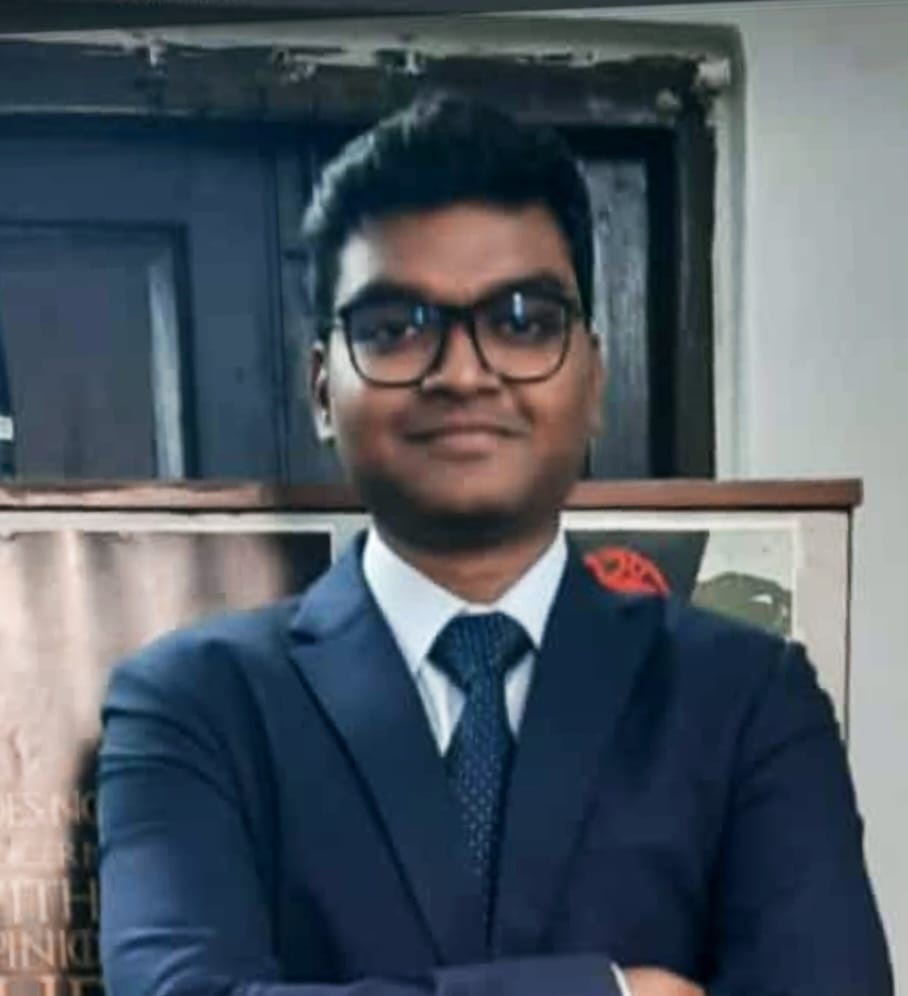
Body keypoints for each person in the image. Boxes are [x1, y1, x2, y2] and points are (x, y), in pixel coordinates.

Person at [98, 95, 892, 996]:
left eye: (522, 321)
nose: (463, 373)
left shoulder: (747, 699)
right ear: (322, 388)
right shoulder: (195, 703)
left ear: (593, 377)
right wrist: (603, 994)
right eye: (395, 328)